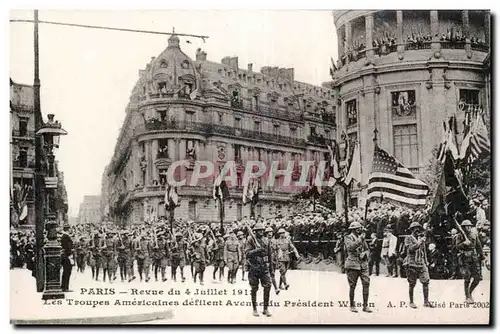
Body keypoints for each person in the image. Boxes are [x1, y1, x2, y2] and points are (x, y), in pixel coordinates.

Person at [245, 222, 273, 317]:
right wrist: (257, 250)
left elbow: (270, 255)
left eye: (262, 230)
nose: (261, 232)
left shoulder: (266, 240)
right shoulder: (250, 240)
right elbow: (247, 253)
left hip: (264, 267)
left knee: (268, 286)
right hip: (254, 266)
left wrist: (271, 269)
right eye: (259, 230)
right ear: (255, 231)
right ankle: (254, 309)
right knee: (254, 288)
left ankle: (265, 309)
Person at [404, 222, 434, 309]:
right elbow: (410, 249)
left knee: (426, 281)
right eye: (415, 229)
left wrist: (426, 261)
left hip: (421, 263)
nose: (417, 230)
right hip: (411, 263)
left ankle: (426, 301)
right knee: (412, 283)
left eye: (418, 228)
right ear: (412, 230)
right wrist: (419, 242)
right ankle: (411, 301)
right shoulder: (408, 238)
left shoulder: (421, 239)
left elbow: (423, 252)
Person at [344, 221, 372, 313]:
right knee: (352, 285)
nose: (361, 229)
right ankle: (352, 305)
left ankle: (365, 305)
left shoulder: (362, 238)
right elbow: (351, 247)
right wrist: (360, 239)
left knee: (366, 283)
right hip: (352, 264)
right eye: (359, 228)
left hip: (363, 264)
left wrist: (365, 254)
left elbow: (367, 249)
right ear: (354, 229)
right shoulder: (348, 237)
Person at [455, 219, 483, 303]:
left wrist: (482, 256)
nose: (469, 228)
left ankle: (470, 292)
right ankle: (467, 296)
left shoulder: (474, 235)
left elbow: (478, 246)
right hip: (464, 258)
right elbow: (456, 247)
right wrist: (464, 244)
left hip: (474, 258)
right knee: (467, 277)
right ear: (463, 227)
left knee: (477, 278)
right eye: (467, 226)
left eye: (470, 226)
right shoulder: (459, 236)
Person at [60, 224, 74, 292]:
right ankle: (65, 287)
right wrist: (70, 255)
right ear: (68, 229)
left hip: (65, 255)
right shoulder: (65, 237)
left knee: (66, 272)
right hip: (67, 256)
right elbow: (67, 247)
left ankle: (64, 287)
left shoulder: (64, 236)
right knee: (67, 271)